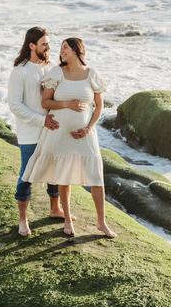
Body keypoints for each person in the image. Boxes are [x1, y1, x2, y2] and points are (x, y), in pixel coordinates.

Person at [22, 37, 117, 239]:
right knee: (64, 175)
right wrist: (67, 104)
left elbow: (98, 106)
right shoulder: (57, 73)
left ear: (76, 50)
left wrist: (89, 128)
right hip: (58, 133)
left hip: (84, 134)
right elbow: (45, 102)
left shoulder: (92, 74)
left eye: (66, 48)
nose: (62, 51)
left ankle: (101, 222)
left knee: (96, 177)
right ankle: (66, 220)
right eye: (62, 48)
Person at [7, 27, 83, 237]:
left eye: (49, 43)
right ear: (31, 46)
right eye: (44, 44)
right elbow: (15, 105)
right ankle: (23, 220)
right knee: (27, 174)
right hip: (31, 131)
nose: (49, 47)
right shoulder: (20, 71)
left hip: (54, 128)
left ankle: (55, 208)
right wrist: (42, 120)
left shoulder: (51, 67)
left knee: (56, 169)